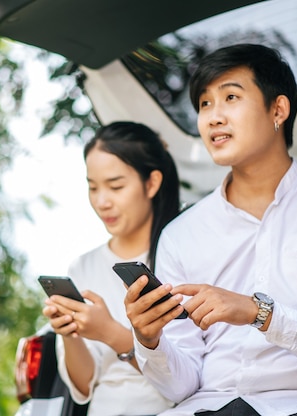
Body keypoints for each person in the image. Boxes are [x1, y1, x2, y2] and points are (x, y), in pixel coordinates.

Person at [124, 43, 297, 415]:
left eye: (230, 97)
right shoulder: (181, 234)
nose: (213, 117)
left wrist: (259, 312)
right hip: (205, 407)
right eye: (204, 104)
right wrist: (149, 340)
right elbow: (181, 386)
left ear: (278, 109)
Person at [42, 121, 181, 416]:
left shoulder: (181, 254)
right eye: (93, 187)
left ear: (152, 183)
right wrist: (70, 334)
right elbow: (83, 386)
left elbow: (184, 378)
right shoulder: (83, 267)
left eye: (115, 186)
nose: (102, 201)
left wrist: (109, 332)